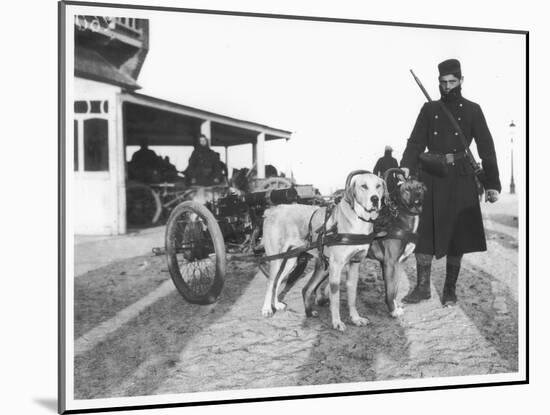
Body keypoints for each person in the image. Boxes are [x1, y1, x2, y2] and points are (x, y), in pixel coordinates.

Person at [399, 58, 501, 307]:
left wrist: (492, 184)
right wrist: (406, 165)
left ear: (461, 80)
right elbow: (415, 142)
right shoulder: (429, 109)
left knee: (458, 234)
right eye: (443, 82)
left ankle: (450, 289)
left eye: (452, 82)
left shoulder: (473, 110)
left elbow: (486, 148)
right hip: (431, 178)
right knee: (424, 233)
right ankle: (423, 288)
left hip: (460, 178)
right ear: (438, 82)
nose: (447, 87)